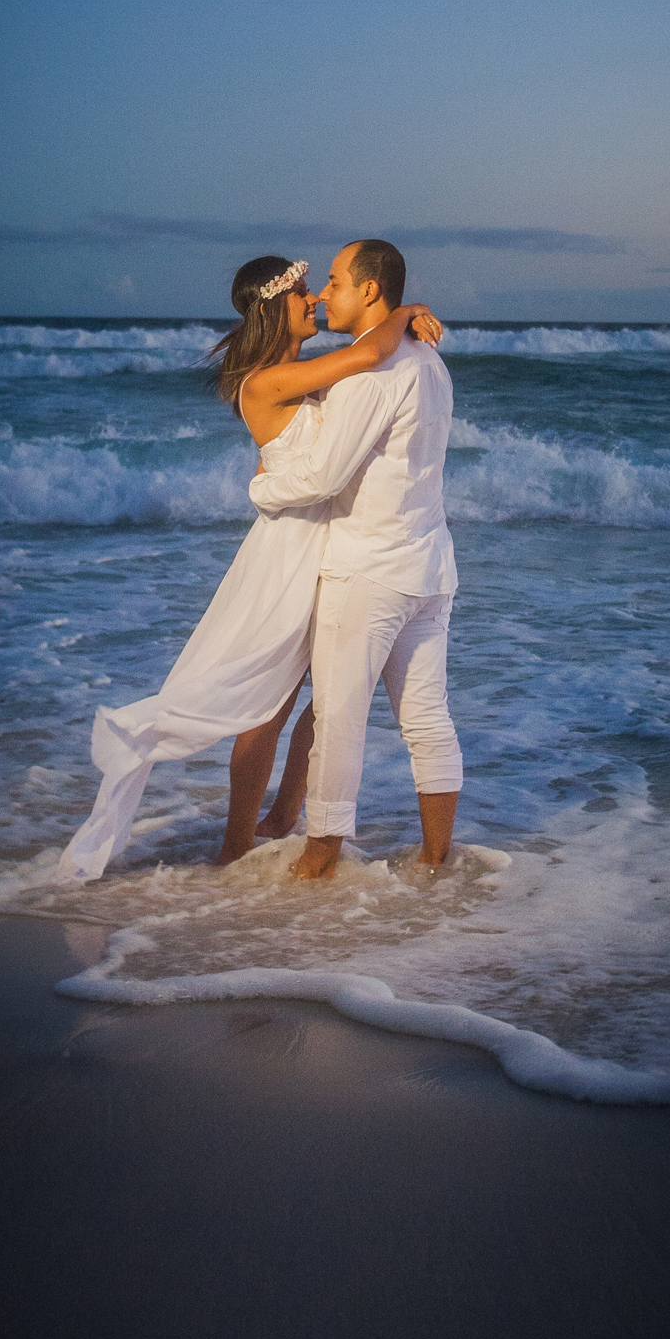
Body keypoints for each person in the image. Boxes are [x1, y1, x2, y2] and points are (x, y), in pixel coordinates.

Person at [57, 253, 442, 882]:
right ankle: (236, 844)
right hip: (289, 552)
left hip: (339, 543)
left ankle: (285, 813)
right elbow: (370, 357)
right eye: (301, 297)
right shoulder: (264, 382)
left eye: (320, 292)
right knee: (270, 702)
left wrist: (400, 320)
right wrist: (401, 311)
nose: (315, 300)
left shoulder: (304, 373)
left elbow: (364, 391)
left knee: (336, 697)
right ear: (275, 308)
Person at [248, 238, 462, 880]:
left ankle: (319, 860)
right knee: (427, 717)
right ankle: (435, 860)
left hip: (368, 571)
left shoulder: (367, 374)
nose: (324, 293)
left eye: (336, 280)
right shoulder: (429, 361)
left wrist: (261, 486)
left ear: (370, 290)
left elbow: (322, 476)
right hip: (429, 566)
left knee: (337, 718)